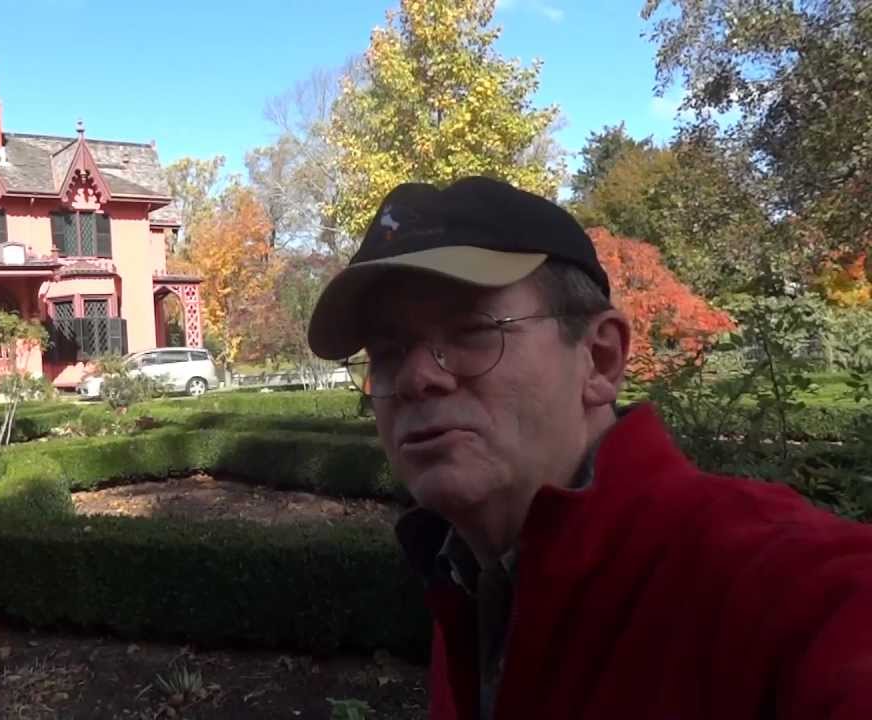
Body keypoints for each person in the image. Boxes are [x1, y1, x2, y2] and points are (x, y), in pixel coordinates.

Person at [306, 176, 872, 720]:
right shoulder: (467, 577)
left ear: (600, 360)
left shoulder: (774, 586)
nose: (413, 379)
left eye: (473, 331)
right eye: (387, 351)